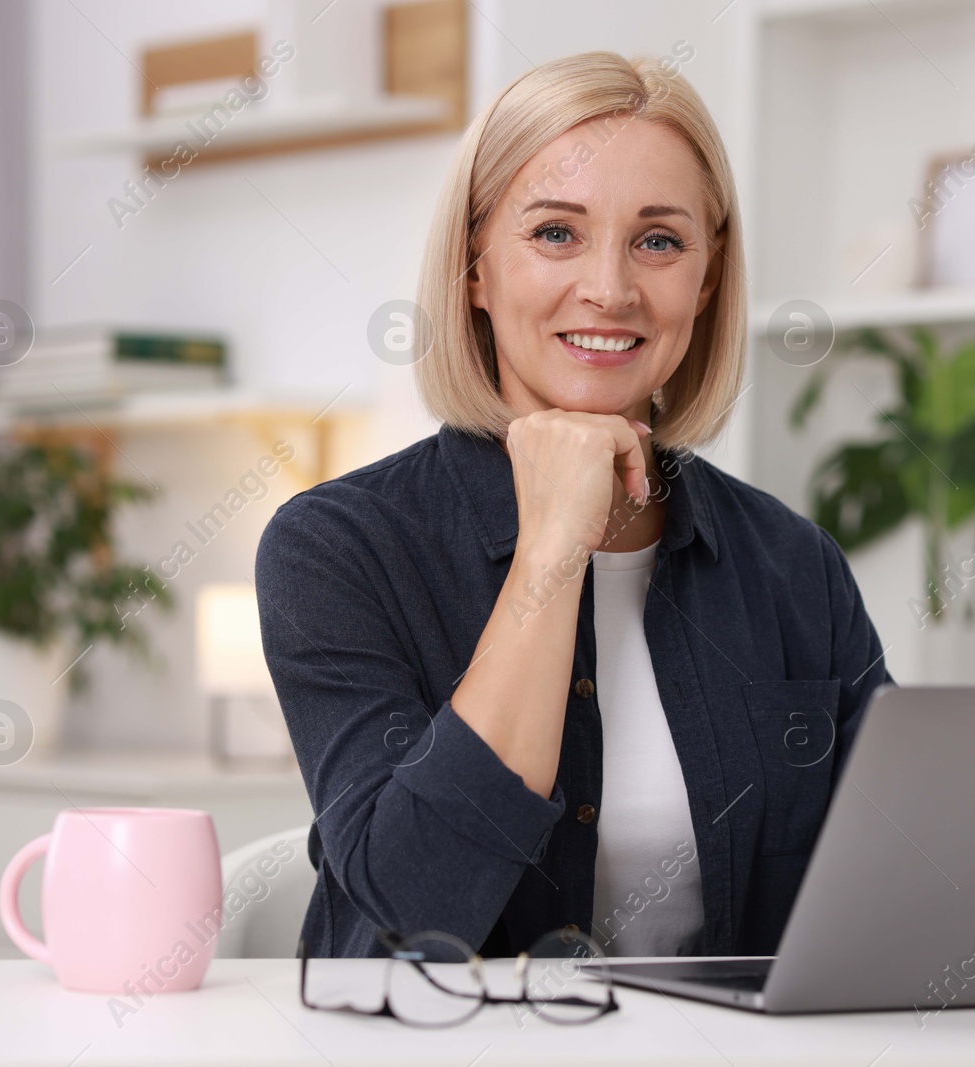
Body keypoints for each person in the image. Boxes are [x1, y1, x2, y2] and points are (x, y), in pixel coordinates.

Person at [256, 50, 892, 960]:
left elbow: (897, 884)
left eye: (659, 241)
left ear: (706, 282)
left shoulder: (795, 565)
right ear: (475, 267)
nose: (610, 287)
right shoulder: (338, 548)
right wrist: (553, 544)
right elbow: (411, 911)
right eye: (556, 232)